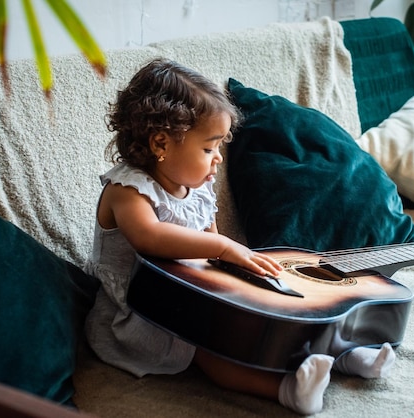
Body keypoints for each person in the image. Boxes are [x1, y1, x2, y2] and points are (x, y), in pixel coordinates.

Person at [84, 58, 395, 415]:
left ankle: (341, 354)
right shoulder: (129, 190)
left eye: (218, 147)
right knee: (213, 349)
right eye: (208, 148)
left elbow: (211, 253)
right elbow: (149, 237)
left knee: (262, 317)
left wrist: (239, 277)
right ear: (160, 143)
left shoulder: (197, 186)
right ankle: (288, 389)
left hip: (195, 293)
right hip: (144, 313)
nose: (217, 159)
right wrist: (222, 245)